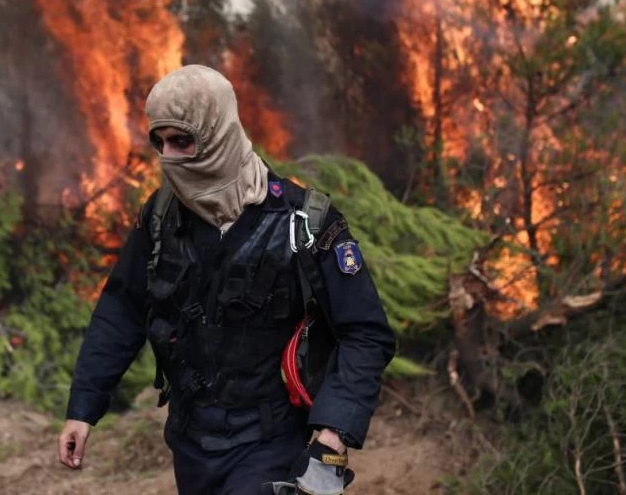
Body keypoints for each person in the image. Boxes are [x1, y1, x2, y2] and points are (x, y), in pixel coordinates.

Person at [57, 64, 396, 494]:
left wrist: (332, 433)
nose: (169, 156)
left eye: (182, 141)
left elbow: (366, 333)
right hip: (190, 446)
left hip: (272, 445)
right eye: (159, 141)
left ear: (216, 132)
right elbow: (121, 311)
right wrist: (83, 408)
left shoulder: (304, 221)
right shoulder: (160, 217)